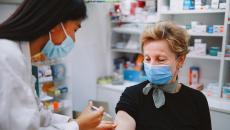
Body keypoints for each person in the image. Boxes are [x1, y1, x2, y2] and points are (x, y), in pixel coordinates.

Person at [0, 0, 116, 130]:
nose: (73, 39)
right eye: (75, 29)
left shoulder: (20, 57)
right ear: (56, 24)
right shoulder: (8, 56)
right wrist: (78, 125)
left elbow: (37, 115)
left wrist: (75, 121)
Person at [115, 21, 212, 130]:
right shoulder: (132, 95)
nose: (151, 66)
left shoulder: (197, 100)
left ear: (180, 60)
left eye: (160, 59)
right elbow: (123, 121)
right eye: (147, 59)